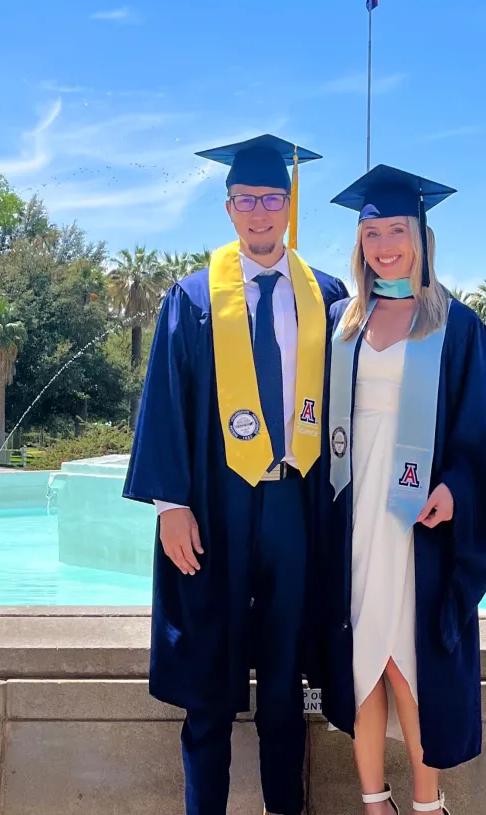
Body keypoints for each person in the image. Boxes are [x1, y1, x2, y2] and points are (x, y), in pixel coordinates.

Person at [123, 134, 349, 815]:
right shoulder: (192, 298)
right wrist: (171, 504)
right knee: (209, 680)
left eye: (271, 199)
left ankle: (285, 806)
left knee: (284, 676)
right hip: (216, 504)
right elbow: (165, 398)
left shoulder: (326, 295)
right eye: (246, 200)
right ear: (227, 208)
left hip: (295, 501)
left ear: (288, 205)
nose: (259, 212)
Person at [318, 165, 486, 815]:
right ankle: (375, 802)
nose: (384, 243)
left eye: (396, 229)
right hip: (354, 515)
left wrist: (454, 488)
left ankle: (428, 804)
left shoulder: (454, 324)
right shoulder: (342, 323)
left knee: (409, 665)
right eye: (372, 231)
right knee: (362, 664)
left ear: (421, 236)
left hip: (417, 523)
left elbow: (474, 434)